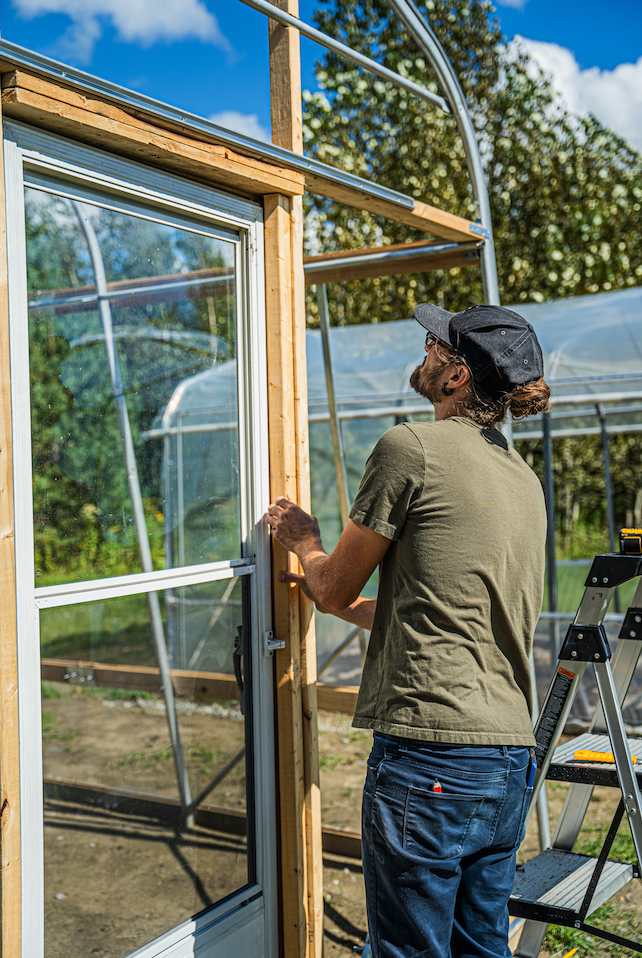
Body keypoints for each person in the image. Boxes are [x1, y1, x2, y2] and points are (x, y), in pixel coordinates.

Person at [266, 303, 551, 958]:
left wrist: (306, 544)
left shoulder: (409, 448)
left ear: (455, 376)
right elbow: (446, 611)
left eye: (432, 346)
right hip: (506, 759)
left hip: (431, 756)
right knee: (480, 949)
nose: (422, 353)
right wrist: (349, 603)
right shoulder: (521, 478)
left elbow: (335, 585)